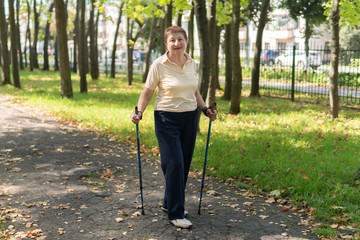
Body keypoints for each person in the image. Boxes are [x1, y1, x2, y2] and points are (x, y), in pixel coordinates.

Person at [130, 26, 217, 229]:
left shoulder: (191, 63)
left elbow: (194, 91)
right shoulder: (159, 65)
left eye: (180, 39)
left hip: (189, 118)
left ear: (186, 41)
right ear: (166, 43)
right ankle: (176, 213)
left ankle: (169, 202)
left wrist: (204, 109)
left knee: (183, 164)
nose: (177, 43)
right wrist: (139, 112)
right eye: (172, 40)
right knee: (174, 163)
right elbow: (147, 91)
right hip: (166, 118)